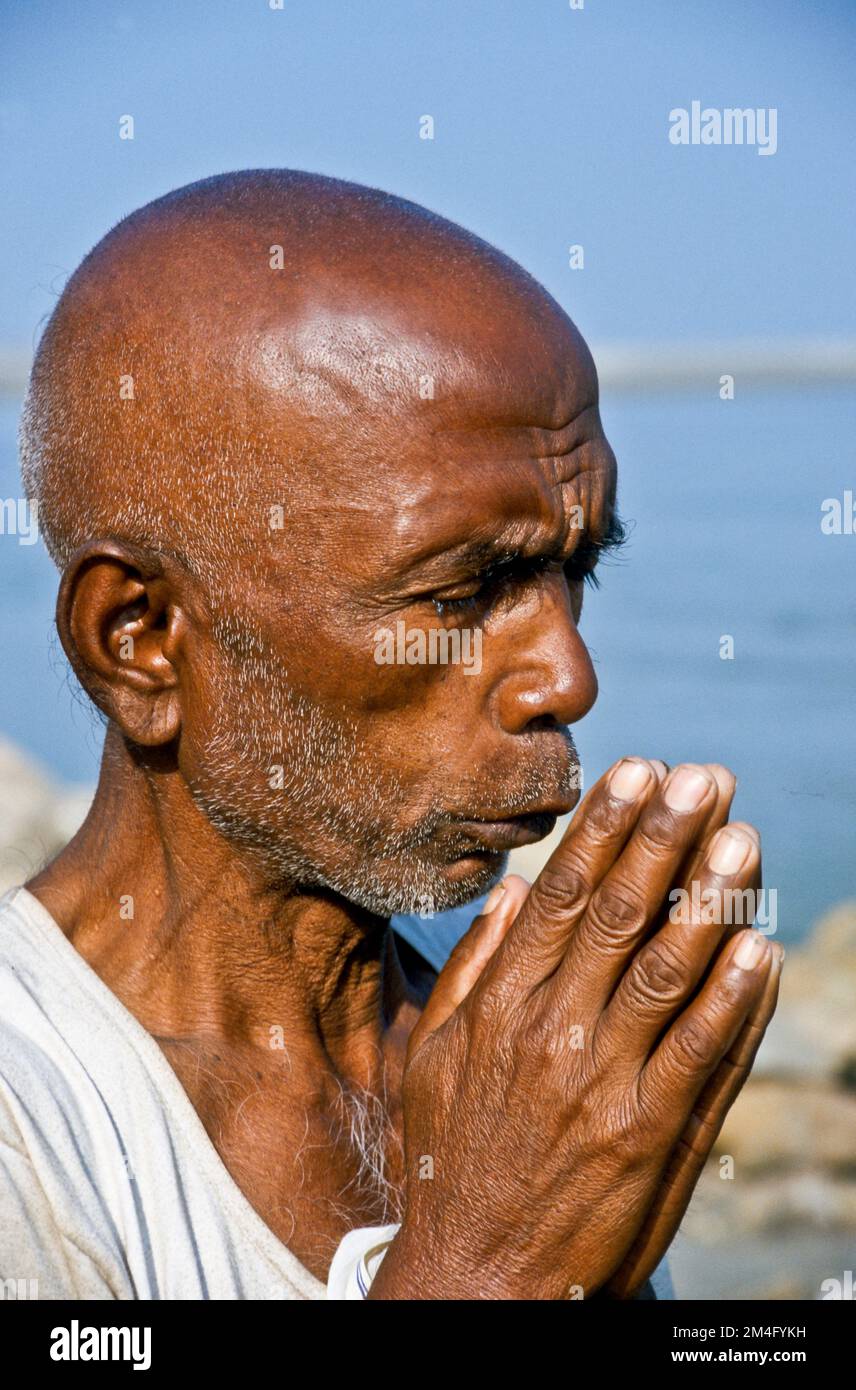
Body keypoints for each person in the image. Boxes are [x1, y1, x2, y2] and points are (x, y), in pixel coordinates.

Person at [0, 170, 781, 1300]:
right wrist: (483, 1272)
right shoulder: (38, 1130)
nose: (568, 676)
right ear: (142, 640)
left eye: (576, 569)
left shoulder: (519, 1073)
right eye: (464, 592)